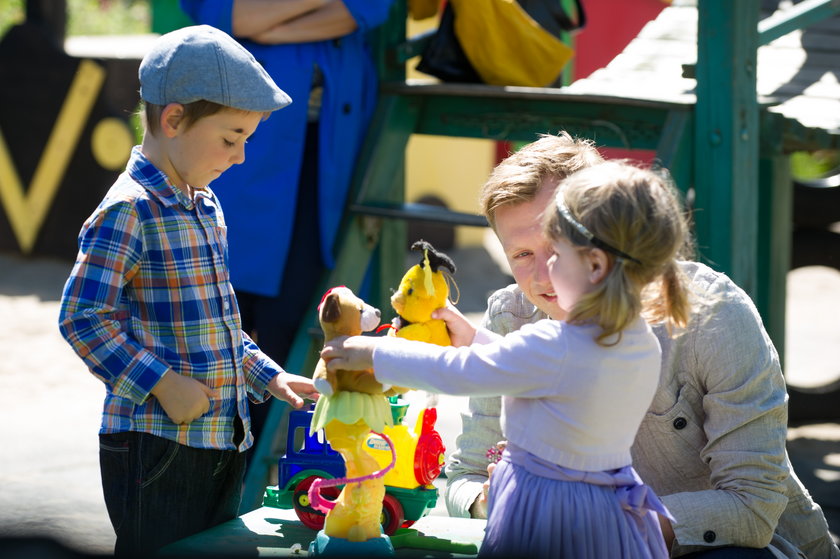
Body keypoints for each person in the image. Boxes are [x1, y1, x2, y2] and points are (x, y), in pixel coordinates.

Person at [442, 134, 840, 558]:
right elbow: (462, 477)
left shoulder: (711, 314)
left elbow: (753, 507)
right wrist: (494, 498)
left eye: (560, 245)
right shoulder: (510, 320)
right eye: (521, 254)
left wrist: (603, 520)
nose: (545, 275)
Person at [321, 159, 694, 558]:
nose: (544, 271)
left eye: (556, 253)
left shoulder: (556, 344)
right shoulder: (637, 340)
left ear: (596, 266)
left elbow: (459, 374)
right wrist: (476, 339)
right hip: (609, 513)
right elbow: (552, 377)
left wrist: (375, 352)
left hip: (547, 513)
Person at [57, 26, 318, 555]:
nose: (240, 157)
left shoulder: (205, 205)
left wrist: (268, 376)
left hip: (222, 438)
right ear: (174, 119)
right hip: (157, 445)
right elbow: (82, 316)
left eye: (247, 139)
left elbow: (217, 326)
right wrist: (163, 383)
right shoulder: (129, 210)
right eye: (230, 138)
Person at [178, 0, 396, 444]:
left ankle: (258, 461)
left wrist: (268, 28)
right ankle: (211, 458)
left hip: (329, 148)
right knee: (213, 305)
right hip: (241, 141)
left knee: (297, 312)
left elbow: (369, 8)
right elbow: (227, 16)